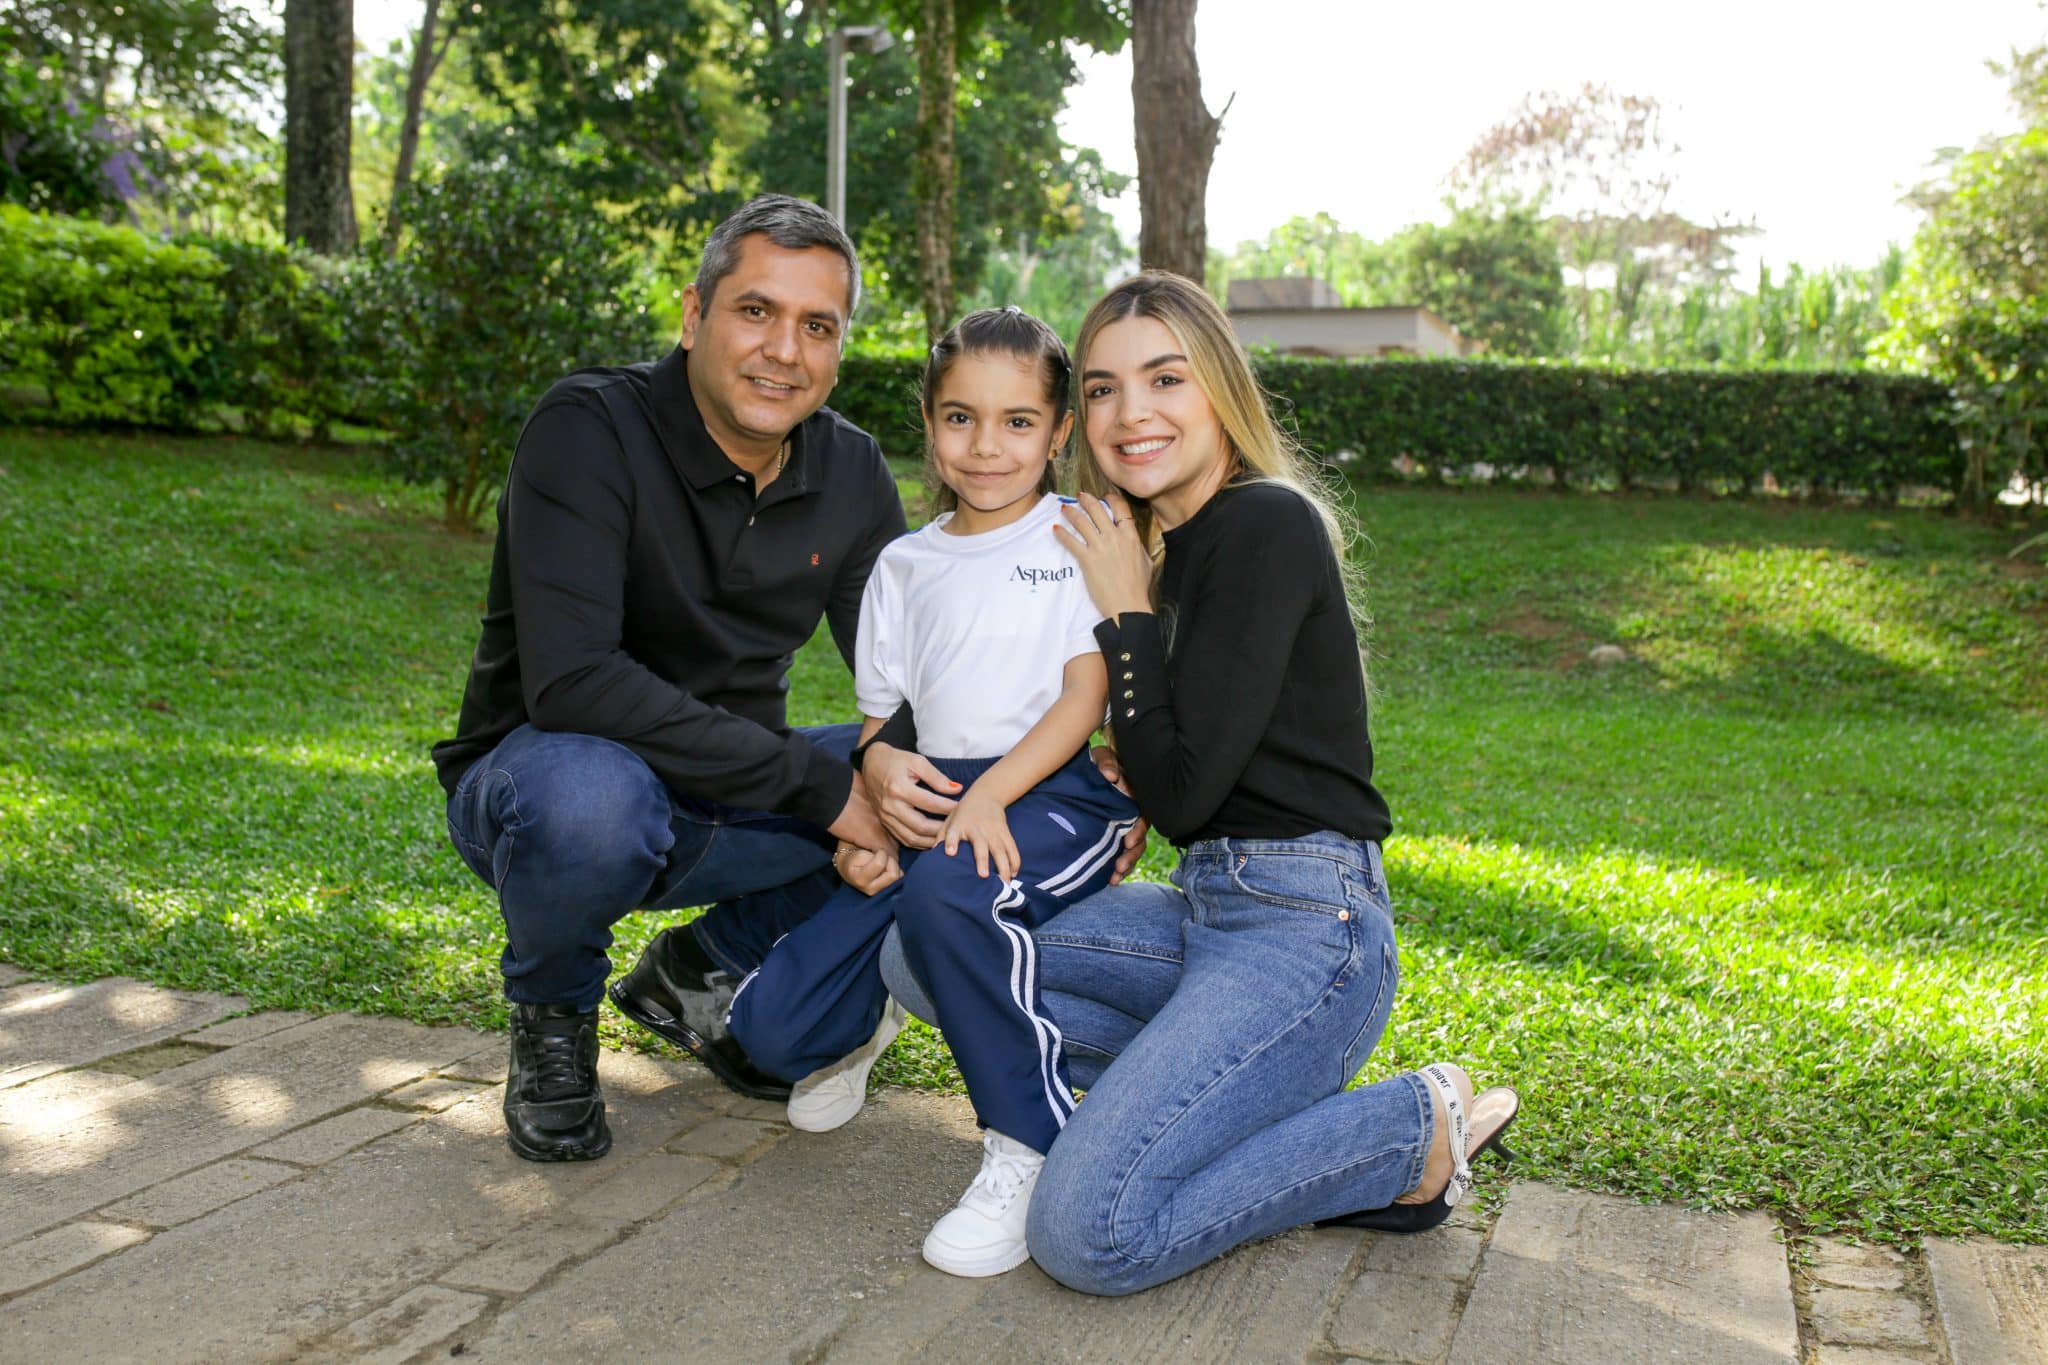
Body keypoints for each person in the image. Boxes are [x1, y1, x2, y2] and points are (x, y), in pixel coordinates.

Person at [872, 271, 1520, 1295]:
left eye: (1164, 379)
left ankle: (1405, 1131)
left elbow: (1182, 793)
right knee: (920, 951)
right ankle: (1218, 1103)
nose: (1132, 412)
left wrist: (1126, 616)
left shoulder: (1266, 524)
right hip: (1202, 910)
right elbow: (1165, 758)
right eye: (1102, 389)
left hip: (1306, 930)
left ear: (1219, 388)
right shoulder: (1158, 552)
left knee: (1087, 1234)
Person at [433, 194, 911, 1164]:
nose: (784, 350)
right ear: (694, 315)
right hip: (549, 790)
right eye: (755, 311)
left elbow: (905, 678)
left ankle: (703, 968)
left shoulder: (852, 471)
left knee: (937, 777)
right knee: (595, 799)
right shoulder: (588, 428)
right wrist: (822, 789)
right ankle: (553, 1021)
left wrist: (897, 777)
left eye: (817, 326)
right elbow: (574, 683)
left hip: (730, 805)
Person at [724, 307, 1139, 1279]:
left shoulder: (1078, 537)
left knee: (955, 888)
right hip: (936, 797)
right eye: (960, 418)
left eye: (1017, 422)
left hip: (1055, 789)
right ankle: (875, 1013)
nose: (986, 446)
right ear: (929, 421)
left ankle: (1027, 1142)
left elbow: (1084, 699)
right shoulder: (903, 566)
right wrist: (874, 789)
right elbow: (884, 722)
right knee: (767, 1030)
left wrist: (991, 797)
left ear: (1058, 431)